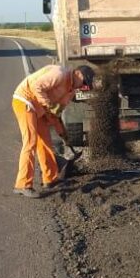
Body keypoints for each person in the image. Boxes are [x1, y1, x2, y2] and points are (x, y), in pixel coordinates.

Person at [12, 64, 94, 198]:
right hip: (25, 100)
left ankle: (50, 179)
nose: (82, 86)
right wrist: (50, 105)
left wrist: (63, 134)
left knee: (45, 143)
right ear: (78, 74)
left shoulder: (70, 92)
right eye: (84, 82)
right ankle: (22, 185)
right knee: (30, 142)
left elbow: (55, 114)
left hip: (39, 108)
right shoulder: (59, 74)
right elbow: (36, 87)